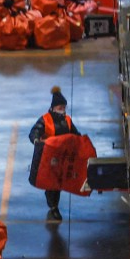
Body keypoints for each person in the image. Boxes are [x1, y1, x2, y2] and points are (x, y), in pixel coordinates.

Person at [29, 86, 80, 222]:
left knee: (59, 182)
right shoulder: (45, 120)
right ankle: (53, 207)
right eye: (60, 107)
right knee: (54, 183)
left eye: (64, 107)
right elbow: (34, 132)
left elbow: (75, 134)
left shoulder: (67, 120)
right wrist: (36, 140)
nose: (63, 110)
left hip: (63, 157)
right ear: (53, 107)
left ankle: (52, 201)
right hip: (49, 157)